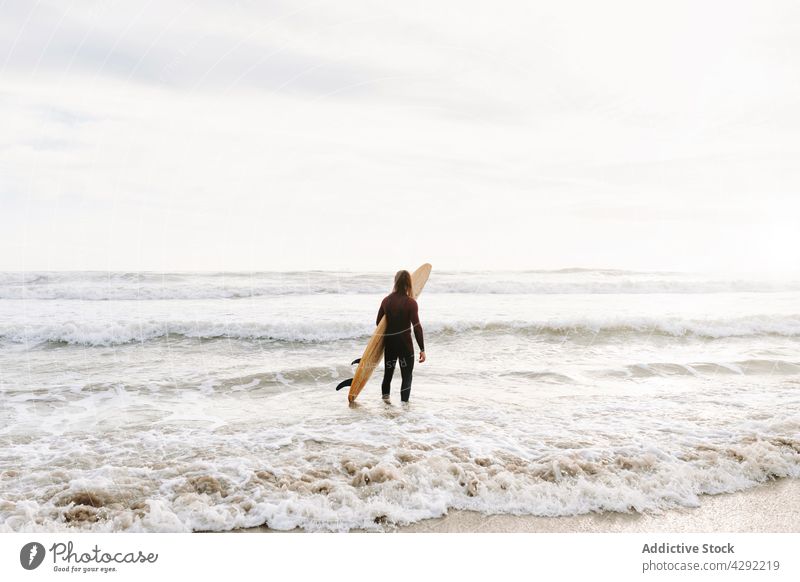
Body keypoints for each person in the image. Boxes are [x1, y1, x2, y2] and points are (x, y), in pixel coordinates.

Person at [376, 270, 426, 402]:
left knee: (388, 375)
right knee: (407, 377)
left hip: (390, 345)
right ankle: (404, 410)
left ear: (395, 281)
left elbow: (378, 323)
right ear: (409, 283)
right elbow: (417, 327)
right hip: (405, 346)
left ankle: (385, 404)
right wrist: (422, 349)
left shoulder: (386, 301)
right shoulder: (411, 303)